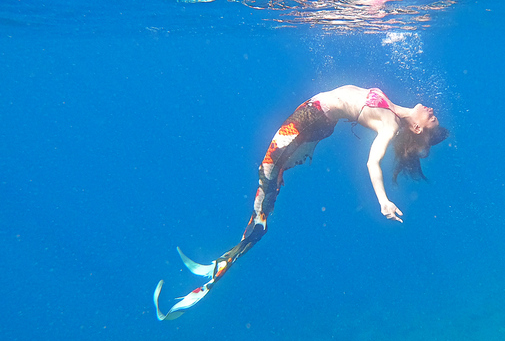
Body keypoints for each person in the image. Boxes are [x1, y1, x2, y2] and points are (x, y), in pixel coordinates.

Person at [154, 85, 448, 320]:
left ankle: (224, 266)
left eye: (432, 119)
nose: (432, 110)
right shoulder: (397, 112)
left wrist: (383, 200)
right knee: (270, 177)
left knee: (267, 175)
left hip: (309, 120)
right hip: (313, 119)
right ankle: (230, 255)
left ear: (419, 129)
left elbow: (373, 162)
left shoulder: (389, 126)